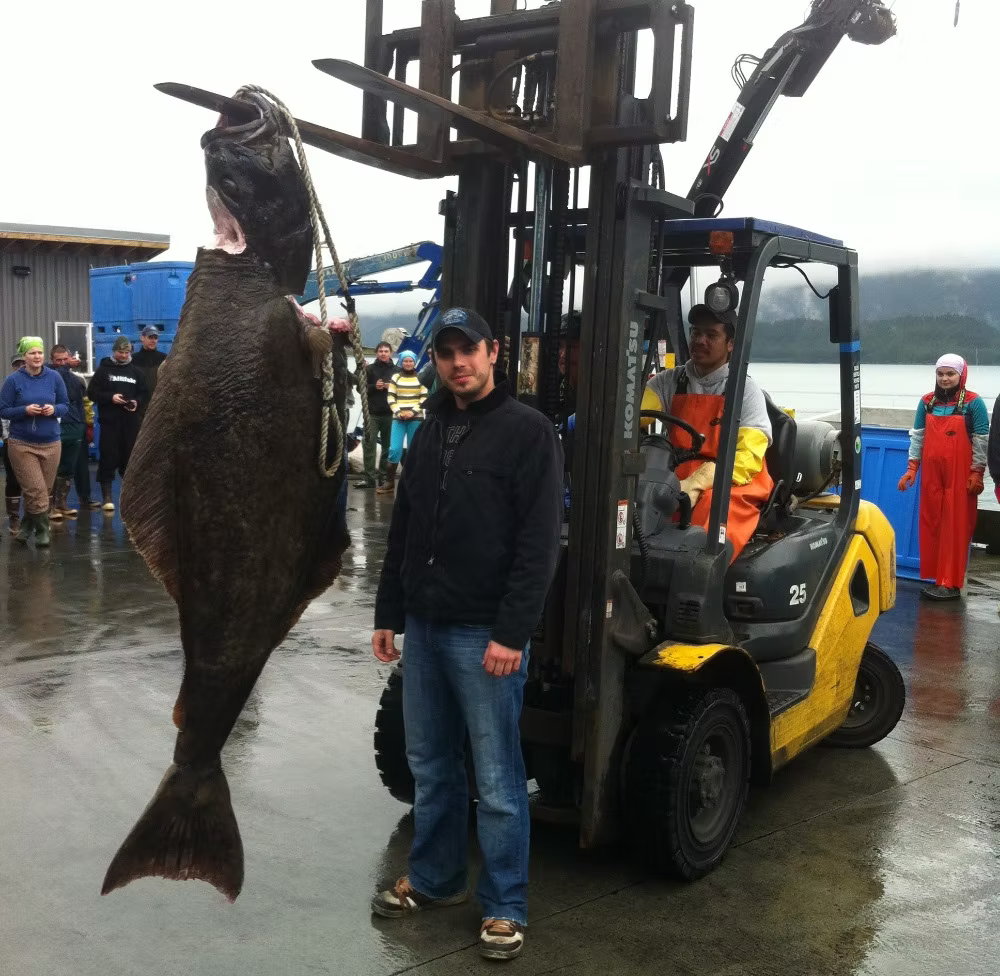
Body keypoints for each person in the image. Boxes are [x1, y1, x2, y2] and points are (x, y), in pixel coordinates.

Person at [370, 307, 563, 962]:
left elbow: (539, 543)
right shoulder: (429, 432)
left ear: (494, 352)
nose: (458, 363)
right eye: (447, 353)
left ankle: (504, 905)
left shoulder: (528, 432)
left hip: (485, 634)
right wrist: (389, 613)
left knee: (499, 777)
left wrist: (513, 631)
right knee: (430, 766)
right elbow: (404, 530)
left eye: (468, 351)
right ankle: (436, 879)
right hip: (425, 629)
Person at [643, 304, 772, 561]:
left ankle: (700, 572)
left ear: (731, 344)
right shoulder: (668, 381)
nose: (700, 340)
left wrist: (700, 480)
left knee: (710, 512)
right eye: (695, 332)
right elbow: (634, 413)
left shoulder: (744, 390)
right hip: (680, 472)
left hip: (732, 477)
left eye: (711, 335)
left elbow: (748, 456)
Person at [899, 353, 988, 600]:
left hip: (961, 476)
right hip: (932, 475)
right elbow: (918, 436)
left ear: (961, 375)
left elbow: (981, 439)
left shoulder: (974, 403)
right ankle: (938, 578)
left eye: (950, 374)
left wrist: (977, 472)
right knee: (932, 522)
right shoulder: (927, 402)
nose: (944, 378)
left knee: (956, 526)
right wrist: (912, 468)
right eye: (940, 373)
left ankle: (951, 583)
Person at [0, 337, 69, 547]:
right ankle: (42, 531)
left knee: (43, 491)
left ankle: (25, 529)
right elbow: (3, 409)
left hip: (51, 442)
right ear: (24, 356)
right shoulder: (13, 380)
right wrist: (25, 410)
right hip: (22, 444)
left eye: (39, 352)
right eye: (32, 353)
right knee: (36, 490)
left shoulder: (54, 377)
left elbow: (65, 405)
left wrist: (54, 409)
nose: (37, 356)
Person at [86, 337, 148, 512]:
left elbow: (144, 393)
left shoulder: (136, 372)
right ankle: (107, 497)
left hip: (130, 423)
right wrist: (110, 397)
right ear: (114, 351)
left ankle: (130, 497)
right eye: (121, 352)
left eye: (127, 352)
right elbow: (91, 393)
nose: (124, 355)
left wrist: (136, 402)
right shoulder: (103, 370)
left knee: (129, 459)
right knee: (108, 457)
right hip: (109, 423)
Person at [379, 350, 428, 496]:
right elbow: (391, 397)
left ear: (414, 362)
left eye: (411, 361)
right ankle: (389, 482)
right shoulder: (396, 377)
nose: (408, 363)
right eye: (405, 361)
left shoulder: (421, 377)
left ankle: (412, 482)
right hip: (398, 418)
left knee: (414, 450)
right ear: (401, 362)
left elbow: (424, 397)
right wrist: (398, 412)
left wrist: (413, 412)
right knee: (394, 449)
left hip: (416, 418)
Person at [49, 344, 86, 520]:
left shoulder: (76, 380)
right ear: (52, 361)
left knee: (68, 467)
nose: (63, 363)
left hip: (75, 426)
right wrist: (67, 366)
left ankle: (61, 503)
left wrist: (83, 424)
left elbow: (81, 403)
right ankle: (49, 507)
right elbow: (58, 373)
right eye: (59, 360)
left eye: (65, 359)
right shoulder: (48, 375)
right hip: (56, 425)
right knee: (52, 467)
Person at [355, 341, 396, 491]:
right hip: (372, 414)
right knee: (369, 446)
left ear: (391, 353)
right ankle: (369, 478)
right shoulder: (369, 369)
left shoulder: (397, 371)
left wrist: (393, 388)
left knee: (388, 447)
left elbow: (404, 390)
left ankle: (383, 477)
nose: (383, 354)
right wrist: (374, 387)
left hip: (390, 414)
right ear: (377, 353)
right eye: (381, 351)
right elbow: (360, 388)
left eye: (386, 351)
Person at [2, 353, 25, 535]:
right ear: (12, 367)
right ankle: (14, 519)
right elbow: (2, 413)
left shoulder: (38, 383)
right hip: (12, 439)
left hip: (35, 439)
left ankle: (37, 517)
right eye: (17, 364)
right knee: (13, 479)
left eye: (23, 363)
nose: (21, 367)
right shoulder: (8, 384)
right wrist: (6, 437)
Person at [132, 326, 167, 423]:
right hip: (138, 407)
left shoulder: (164, 358)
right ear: (142, 338)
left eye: (155, 338)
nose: (153, 340)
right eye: (150, 337)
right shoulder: (133, 359)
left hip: (158, 407)